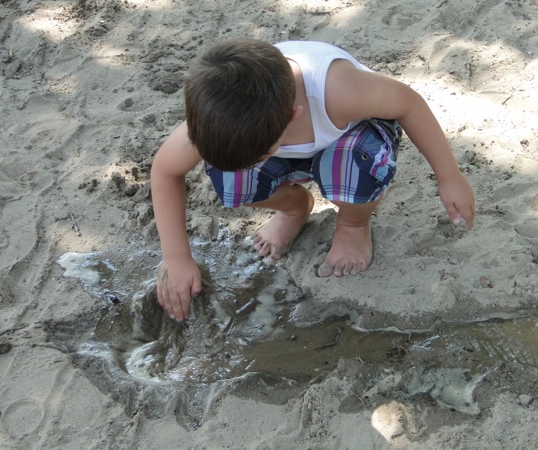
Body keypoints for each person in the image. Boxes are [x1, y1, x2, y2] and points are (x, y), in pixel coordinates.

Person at [151, 39, 475, 321]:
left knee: (349, 166)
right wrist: (176, 258)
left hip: (351, 137)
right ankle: (294, 208)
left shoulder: (338, 89)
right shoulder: (216, 119)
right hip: (278, 142)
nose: (250, 164)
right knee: (229, 175)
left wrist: (448, 176)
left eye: (259, 154)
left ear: (293, 115)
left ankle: (352, 225)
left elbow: (409, 104)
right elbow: (165, 171)